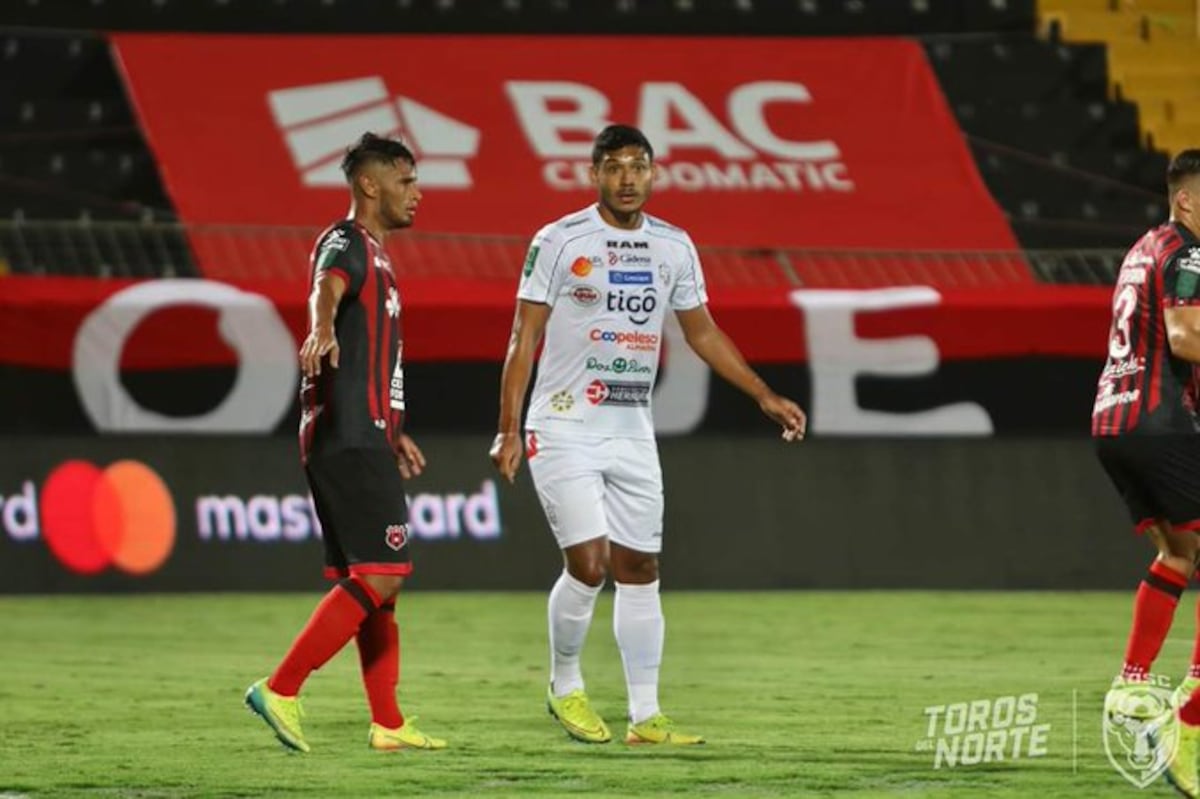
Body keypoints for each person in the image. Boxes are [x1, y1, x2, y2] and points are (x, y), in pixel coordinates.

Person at [489, 124, 807, 746]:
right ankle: (565, 685)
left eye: (638, 166)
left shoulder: (673, 246)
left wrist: (763, 394)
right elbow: (522, 339)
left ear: (654, 173)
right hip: (562, 423)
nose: (627, 178)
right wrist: (507, 428)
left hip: (632, 431)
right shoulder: (559, 240)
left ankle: (645, 717)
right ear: (593, 175)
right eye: (613, 167)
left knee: (640, 567)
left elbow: (703, 332)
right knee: (589, 564)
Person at [245, 132, 446, 753]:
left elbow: (381, 358)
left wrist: (397, 429)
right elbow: (324, 289)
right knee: (384, 574)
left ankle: (387, 723)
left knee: (375, 584)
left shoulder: (381, 259)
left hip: (367, 433)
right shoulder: (347, 242)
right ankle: (281, 688)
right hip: (347, 433)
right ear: (370, 184)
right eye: (405, 180)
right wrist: (320, 327)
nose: (416, 193)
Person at [1095, 149, 1200, 796]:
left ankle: (1131, 687)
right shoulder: (1189, 251)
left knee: (1179, 550)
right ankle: (1190, 714)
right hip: (1158, 421)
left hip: (1113, 420)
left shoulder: (1144, 246)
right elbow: (1185, 337)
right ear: (1186, 200)